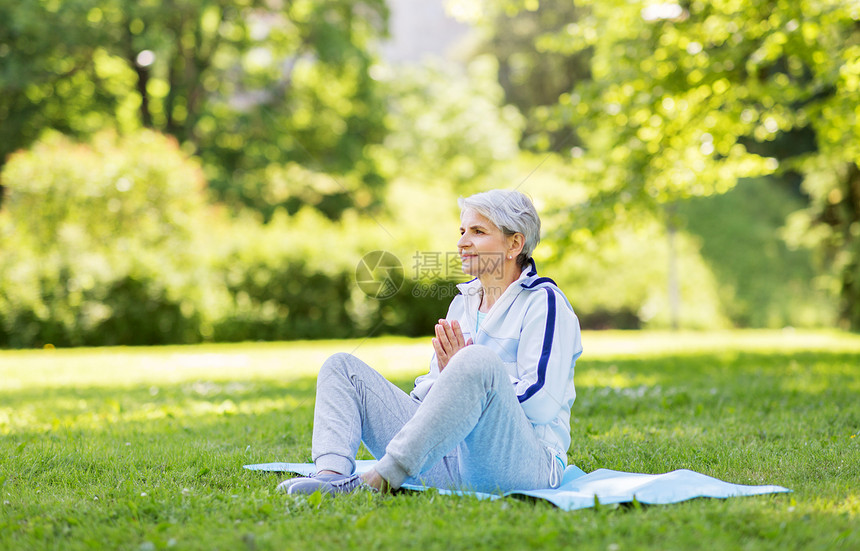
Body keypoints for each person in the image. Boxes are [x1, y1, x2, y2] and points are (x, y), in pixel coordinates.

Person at [278, 189, 582, 495]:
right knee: (342, 367)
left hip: (524, 466)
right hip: (448, 458)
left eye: (478, 231)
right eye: (463, 231)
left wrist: (472, 378)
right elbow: (426, 390)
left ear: (514, 243)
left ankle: (381, 479)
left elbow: (542, 403)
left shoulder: (544, 302)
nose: (463, 242)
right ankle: (331, 479)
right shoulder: (462, 303)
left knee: (476, 360)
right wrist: (458, 381)